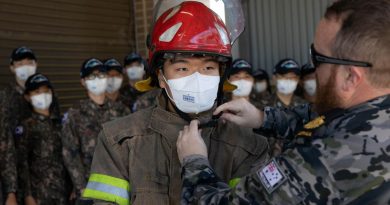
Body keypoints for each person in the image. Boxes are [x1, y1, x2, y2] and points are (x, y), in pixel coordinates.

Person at [177, 0, 390, 204]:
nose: (312, 69)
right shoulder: (372, 110)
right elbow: (326, 118)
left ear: (351, 78)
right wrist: (263, 118)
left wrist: (194, 160)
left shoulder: (324, 160)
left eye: (317, 58)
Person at [82, 1, 268, 204]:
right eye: (182, 69)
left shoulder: (247, 145)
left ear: (222, 76)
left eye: (208, 68)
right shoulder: (120, 140)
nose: (197, 78)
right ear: (161, 77)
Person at [61, 58, 129, 203]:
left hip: (121, 185)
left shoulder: (122, 110)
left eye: (101, 75)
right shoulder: (75, 113)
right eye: (92, 76)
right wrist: (81, 188)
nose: (97, 80)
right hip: (90, 189)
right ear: (83, 82)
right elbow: (70, 153)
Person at [1, 46, 61, 205]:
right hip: (15, 172)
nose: (25, 66)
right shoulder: (5, 97)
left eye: (29, 62)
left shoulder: (48, 93)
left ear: (36, 64)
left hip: (47, 178)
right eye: (20, 63)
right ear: (12, 67)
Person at [17, 74, 70, 205]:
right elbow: (22, 164)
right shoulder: (26, 127)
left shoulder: (62, 123)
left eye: (46, 91)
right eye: (37, 92)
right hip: (40, 195)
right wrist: (28, 196)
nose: (43, 94)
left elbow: (71, 158)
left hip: (64, 192)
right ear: (28, 97)